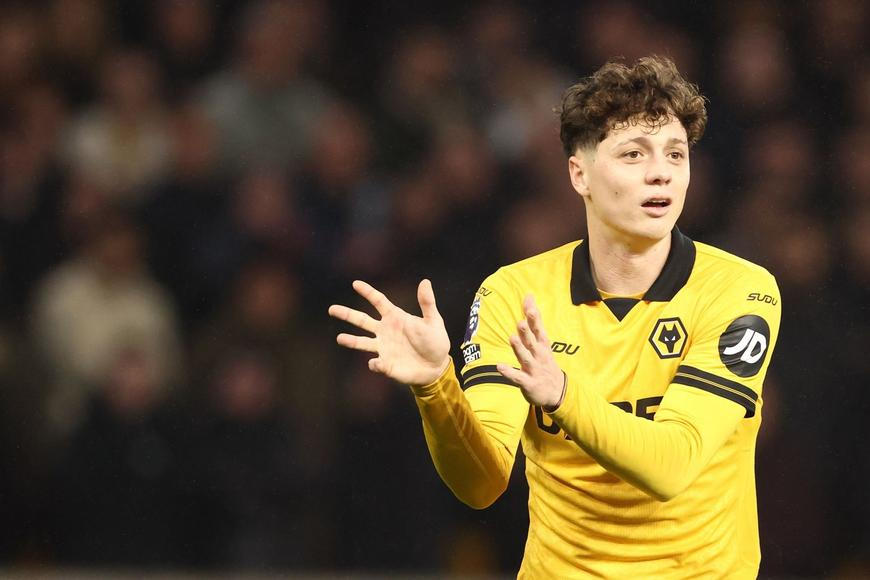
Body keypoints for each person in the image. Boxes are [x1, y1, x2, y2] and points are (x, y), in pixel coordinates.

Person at [329, 56, 781, 578]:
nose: (660, 172)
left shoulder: (739, 291)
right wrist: (436, 387)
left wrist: (564, 396)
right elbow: (482, 484)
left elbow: (673, 464)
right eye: (633, 154)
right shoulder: (514, 294)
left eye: (675, 154)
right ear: (579, 174)